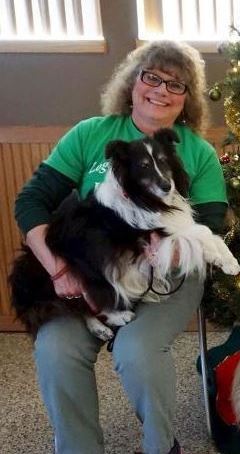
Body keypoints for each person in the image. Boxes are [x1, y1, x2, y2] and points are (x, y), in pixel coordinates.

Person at [14, 41, 228, 454]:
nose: (161, 90)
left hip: (168, 274)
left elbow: (213, 223)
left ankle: (160, 446)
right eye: (152, 77)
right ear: (132, 83)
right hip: (90, 274)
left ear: (187, 100)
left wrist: (171, 251)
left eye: (176, 85)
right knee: (56, 348)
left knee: (138, 351)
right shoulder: (91, 134)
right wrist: (59, 270)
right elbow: (31, 202)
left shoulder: (197, 152)